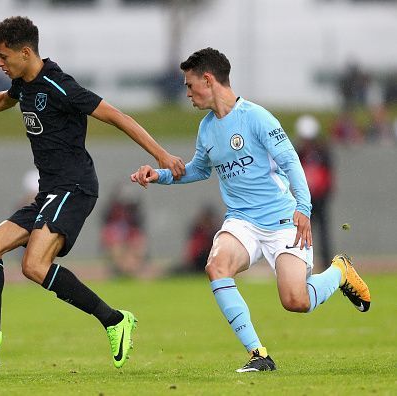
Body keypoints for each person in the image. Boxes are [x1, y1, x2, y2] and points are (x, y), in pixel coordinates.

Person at [0, 16, 185, 369]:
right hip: (49, 192)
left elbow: (116, 115)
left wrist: (161, 154)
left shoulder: (60, 86)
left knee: (35, 264)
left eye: (3, 56)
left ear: (25, 53)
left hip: (75, 186)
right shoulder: (23, 84)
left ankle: (114, 320)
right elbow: (4, 99)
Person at [131, 48, 371, 373]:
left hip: (283, 220)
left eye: (190, 85)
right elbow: (199, 170)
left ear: (208, 79)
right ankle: (259, 354)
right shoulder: (206, 129)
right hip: (242, 222)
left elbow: (290, 161)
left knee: (295, 301)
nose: (187, 93)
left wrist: (303, 206)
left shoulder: (257, 118)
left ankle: (340, 271)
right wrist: (157, 175)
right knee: (216, 267)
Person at [295, 115, 334, 268]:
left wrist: (324, 192)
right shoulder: (299, 152)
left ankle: (326, 264)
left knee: (323, 232)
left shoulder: (323, 152)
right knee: (302, 232)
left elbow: (328, 174)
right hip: (305, 199)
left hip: (320, 198)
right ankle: (302, 262)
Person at [100, 184, 147, 277]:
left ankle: (130, 270)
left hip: (130, 236)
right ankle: (120, 270)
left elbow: (138, 232)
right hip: (115, 237)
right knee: (117, 250)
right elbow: (106, 231)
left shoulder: (134, 217)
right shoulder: (111, 216)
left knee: (137, 248)